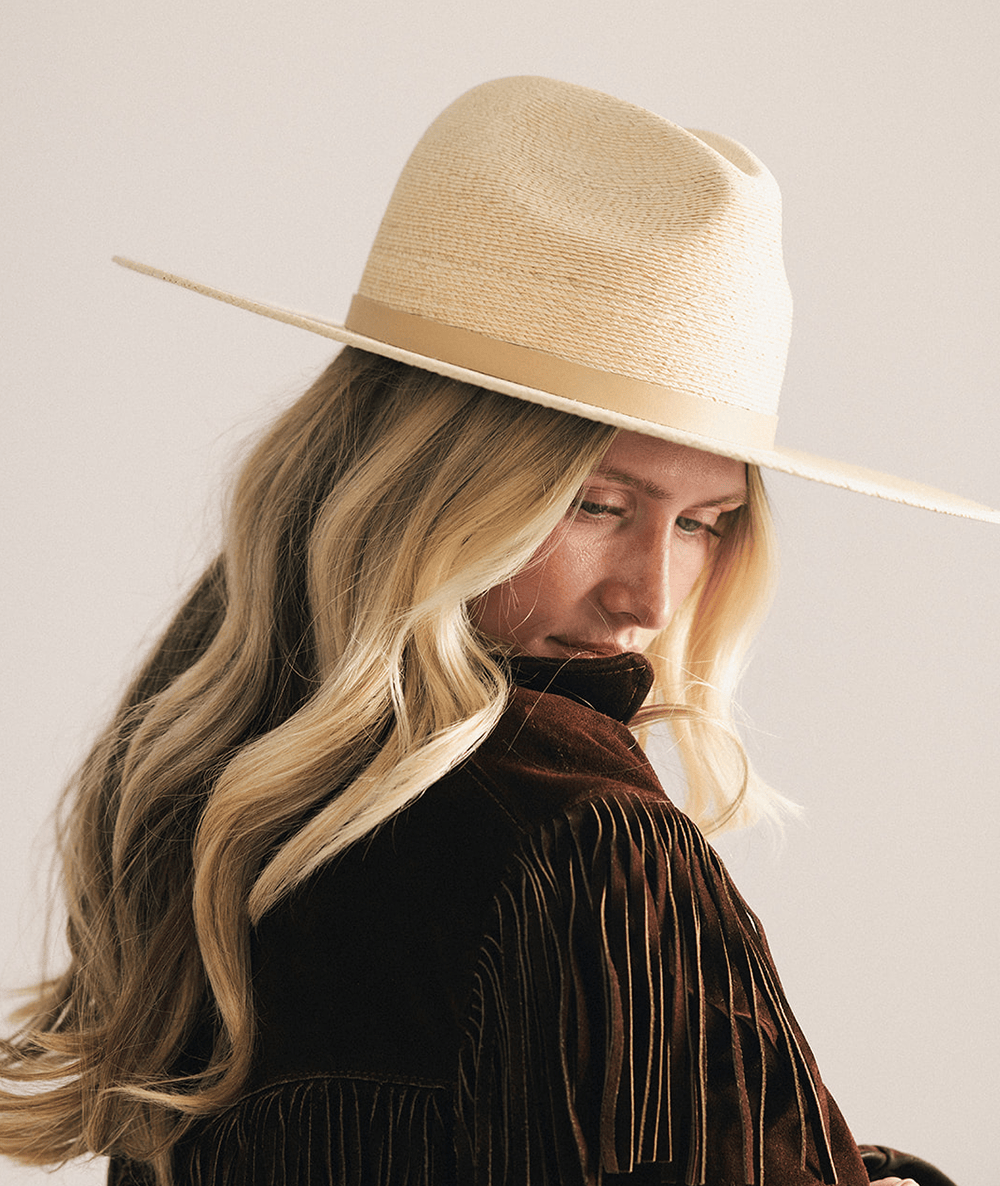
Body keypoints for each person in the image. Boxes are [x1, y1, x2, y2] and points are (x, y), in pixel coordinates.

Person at [1, 76, 991, 1186]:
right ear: (425, 484)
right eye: (596, 506)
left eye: (704, 524)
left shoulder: (218, 811)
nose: (649, 600)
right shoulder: (586, 838)